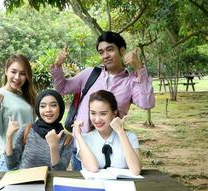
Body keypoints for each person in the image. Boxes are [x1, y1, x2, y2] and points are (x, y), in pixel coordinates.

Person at [51, 31, 155, 170]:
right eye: (101, 52)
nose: (105, 55)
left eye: (110, 50)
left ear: (122, 50)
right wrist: (57, 66)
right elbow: (62, 88)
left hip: (114, 151)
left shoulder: (131, 82)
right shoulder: (90, 74)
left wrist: (139, 69)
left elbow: (147, 103)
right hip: (83, 147)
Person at [73, 90, 141, 175]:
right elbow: (93, 168)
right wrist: (78, 135)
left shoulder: (130, 137)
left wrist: (120, 132)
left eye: (103, 114)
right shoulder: (83, 138)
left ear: (114, 113)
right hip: (95, 187)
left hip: (124, 187)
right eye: (93, 113)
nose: (97, 119)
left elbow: (136, 170)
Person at [0, 54, 36, 172]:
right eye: (13, 72)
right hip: (10, 158)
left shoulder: (25, 96)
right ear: (6, 71)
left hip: (28, 158)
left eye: (23, 73)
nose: (17, 77)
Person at [4, 89, 73, 170]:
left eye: (53, 105)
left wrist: (53, 147)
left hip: (48, 182)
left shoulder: (67, 139)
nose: (48, 110)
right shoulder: (27, 129)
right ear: (38, 109)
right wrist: (9, 137)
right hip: (24, 181)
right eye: (43, 106)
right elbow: (11, 165)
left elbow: (59, 172)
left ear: (60, 108)